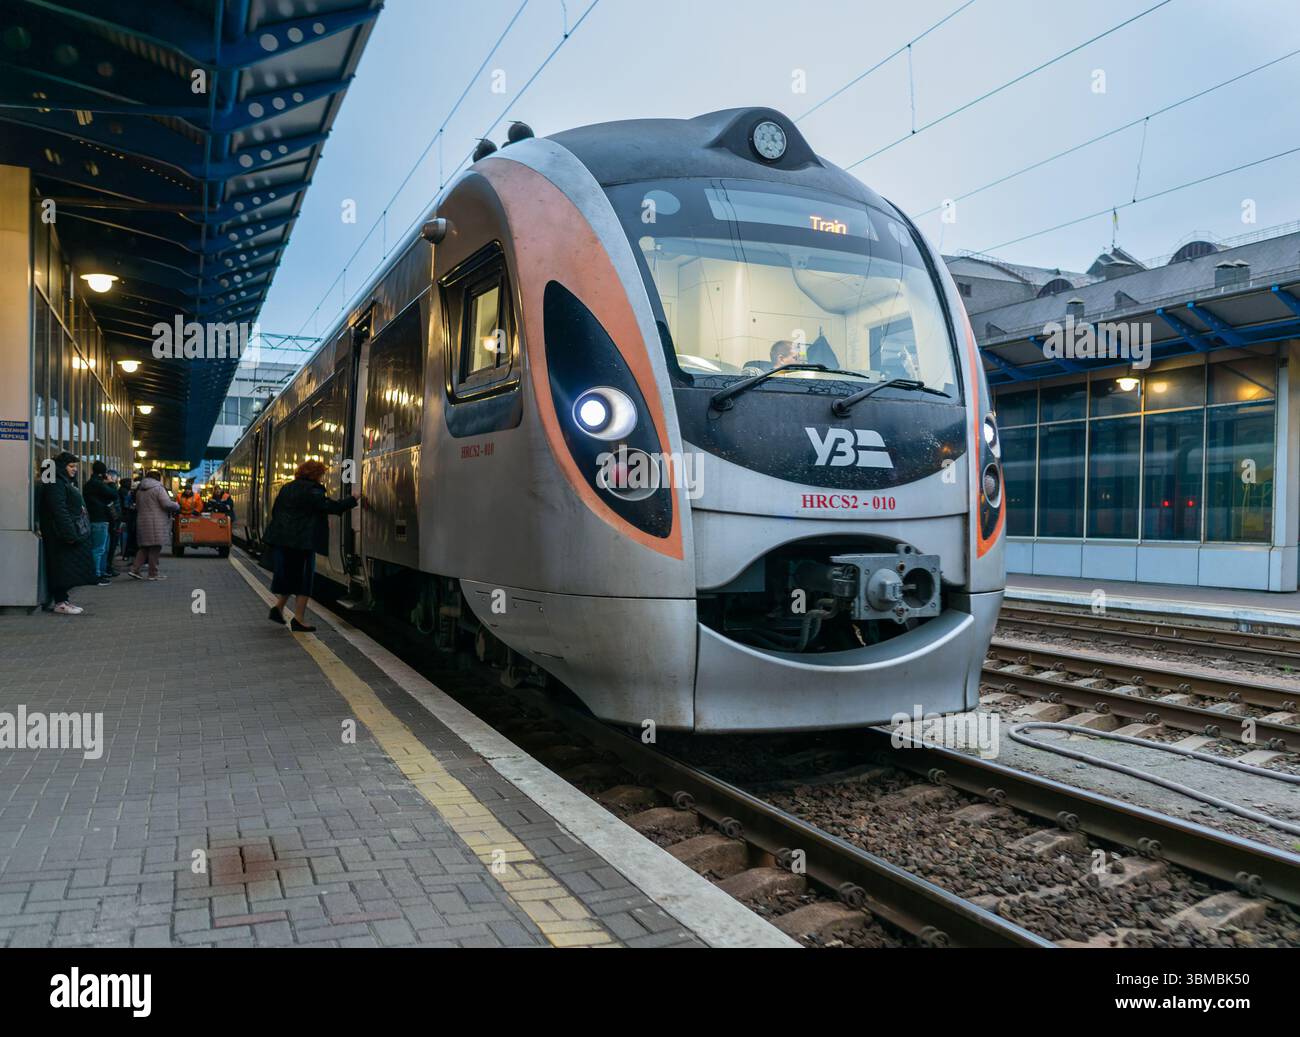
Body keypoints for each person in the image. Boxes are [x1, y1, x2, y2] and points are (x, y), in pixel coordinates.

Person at [262, 460, 358, 632]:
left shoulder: (287, 488)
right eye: (321, 474)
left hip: (283, 541)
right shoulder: (313, 490)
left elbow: (276, 511)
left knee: (291, 576)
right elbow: (331, 507)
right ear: (315, 474)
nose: (322, 478)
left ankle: (278, 608)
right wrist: (353, 499)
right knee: (304, 580)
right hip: (302, 542)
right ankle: (298, 619)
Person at [37, 451, 96, 615]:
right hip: (59, 534)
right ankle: (60, 602)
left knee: (65, 567)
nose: (75, 469)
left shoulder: (62, 481)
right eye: (71, 466)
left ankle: (63, 600)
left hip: (60, 532)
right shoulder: (56, 483)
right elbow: (59, 510)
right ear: (62, 467)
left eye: (75, 466)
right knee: (61, 568)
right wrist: (70, 533)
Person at [127, 469, 179, 581]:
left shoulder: (140, 490)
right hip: (156, 522)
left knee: (145, 547)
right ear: (158, 478)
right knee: (155, 547)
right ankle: (153, 573)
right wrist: (176, 505)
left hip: (142, 521)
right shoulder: (158, 488)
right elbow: (166, 504)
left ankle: (134, 569)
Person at [82, 460, 117, 585]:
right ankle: (96, 574)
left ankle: (100, 572)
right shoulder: (97, 484)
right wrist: (111, 483)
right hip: (100, 519)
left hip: (96, 518)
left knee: (101, 548)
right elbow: (114, 494)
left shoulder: (90, 484)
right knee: (99, 549)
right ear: (103, 473)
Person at [104, 469, 122, 575]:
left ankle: (108, 566)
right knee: (109, 545)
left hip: (113, 520)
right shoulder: (110, 487)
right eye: (116, 477)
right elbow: (114, 499)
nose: (117, 480)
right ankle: (107, 567)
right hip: (112, 520)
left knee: (111, 545)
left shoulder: (111, 487)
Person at [120, 474, 138, 561]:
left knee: (128, 535)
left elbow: (126, 504)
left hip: (128, 516)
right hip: (129, 516)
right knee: (129, 535)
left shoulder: (128, 492)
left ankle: (126, 554)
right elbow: (126, 504)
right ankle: (127, 553)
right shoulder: (127, 492)